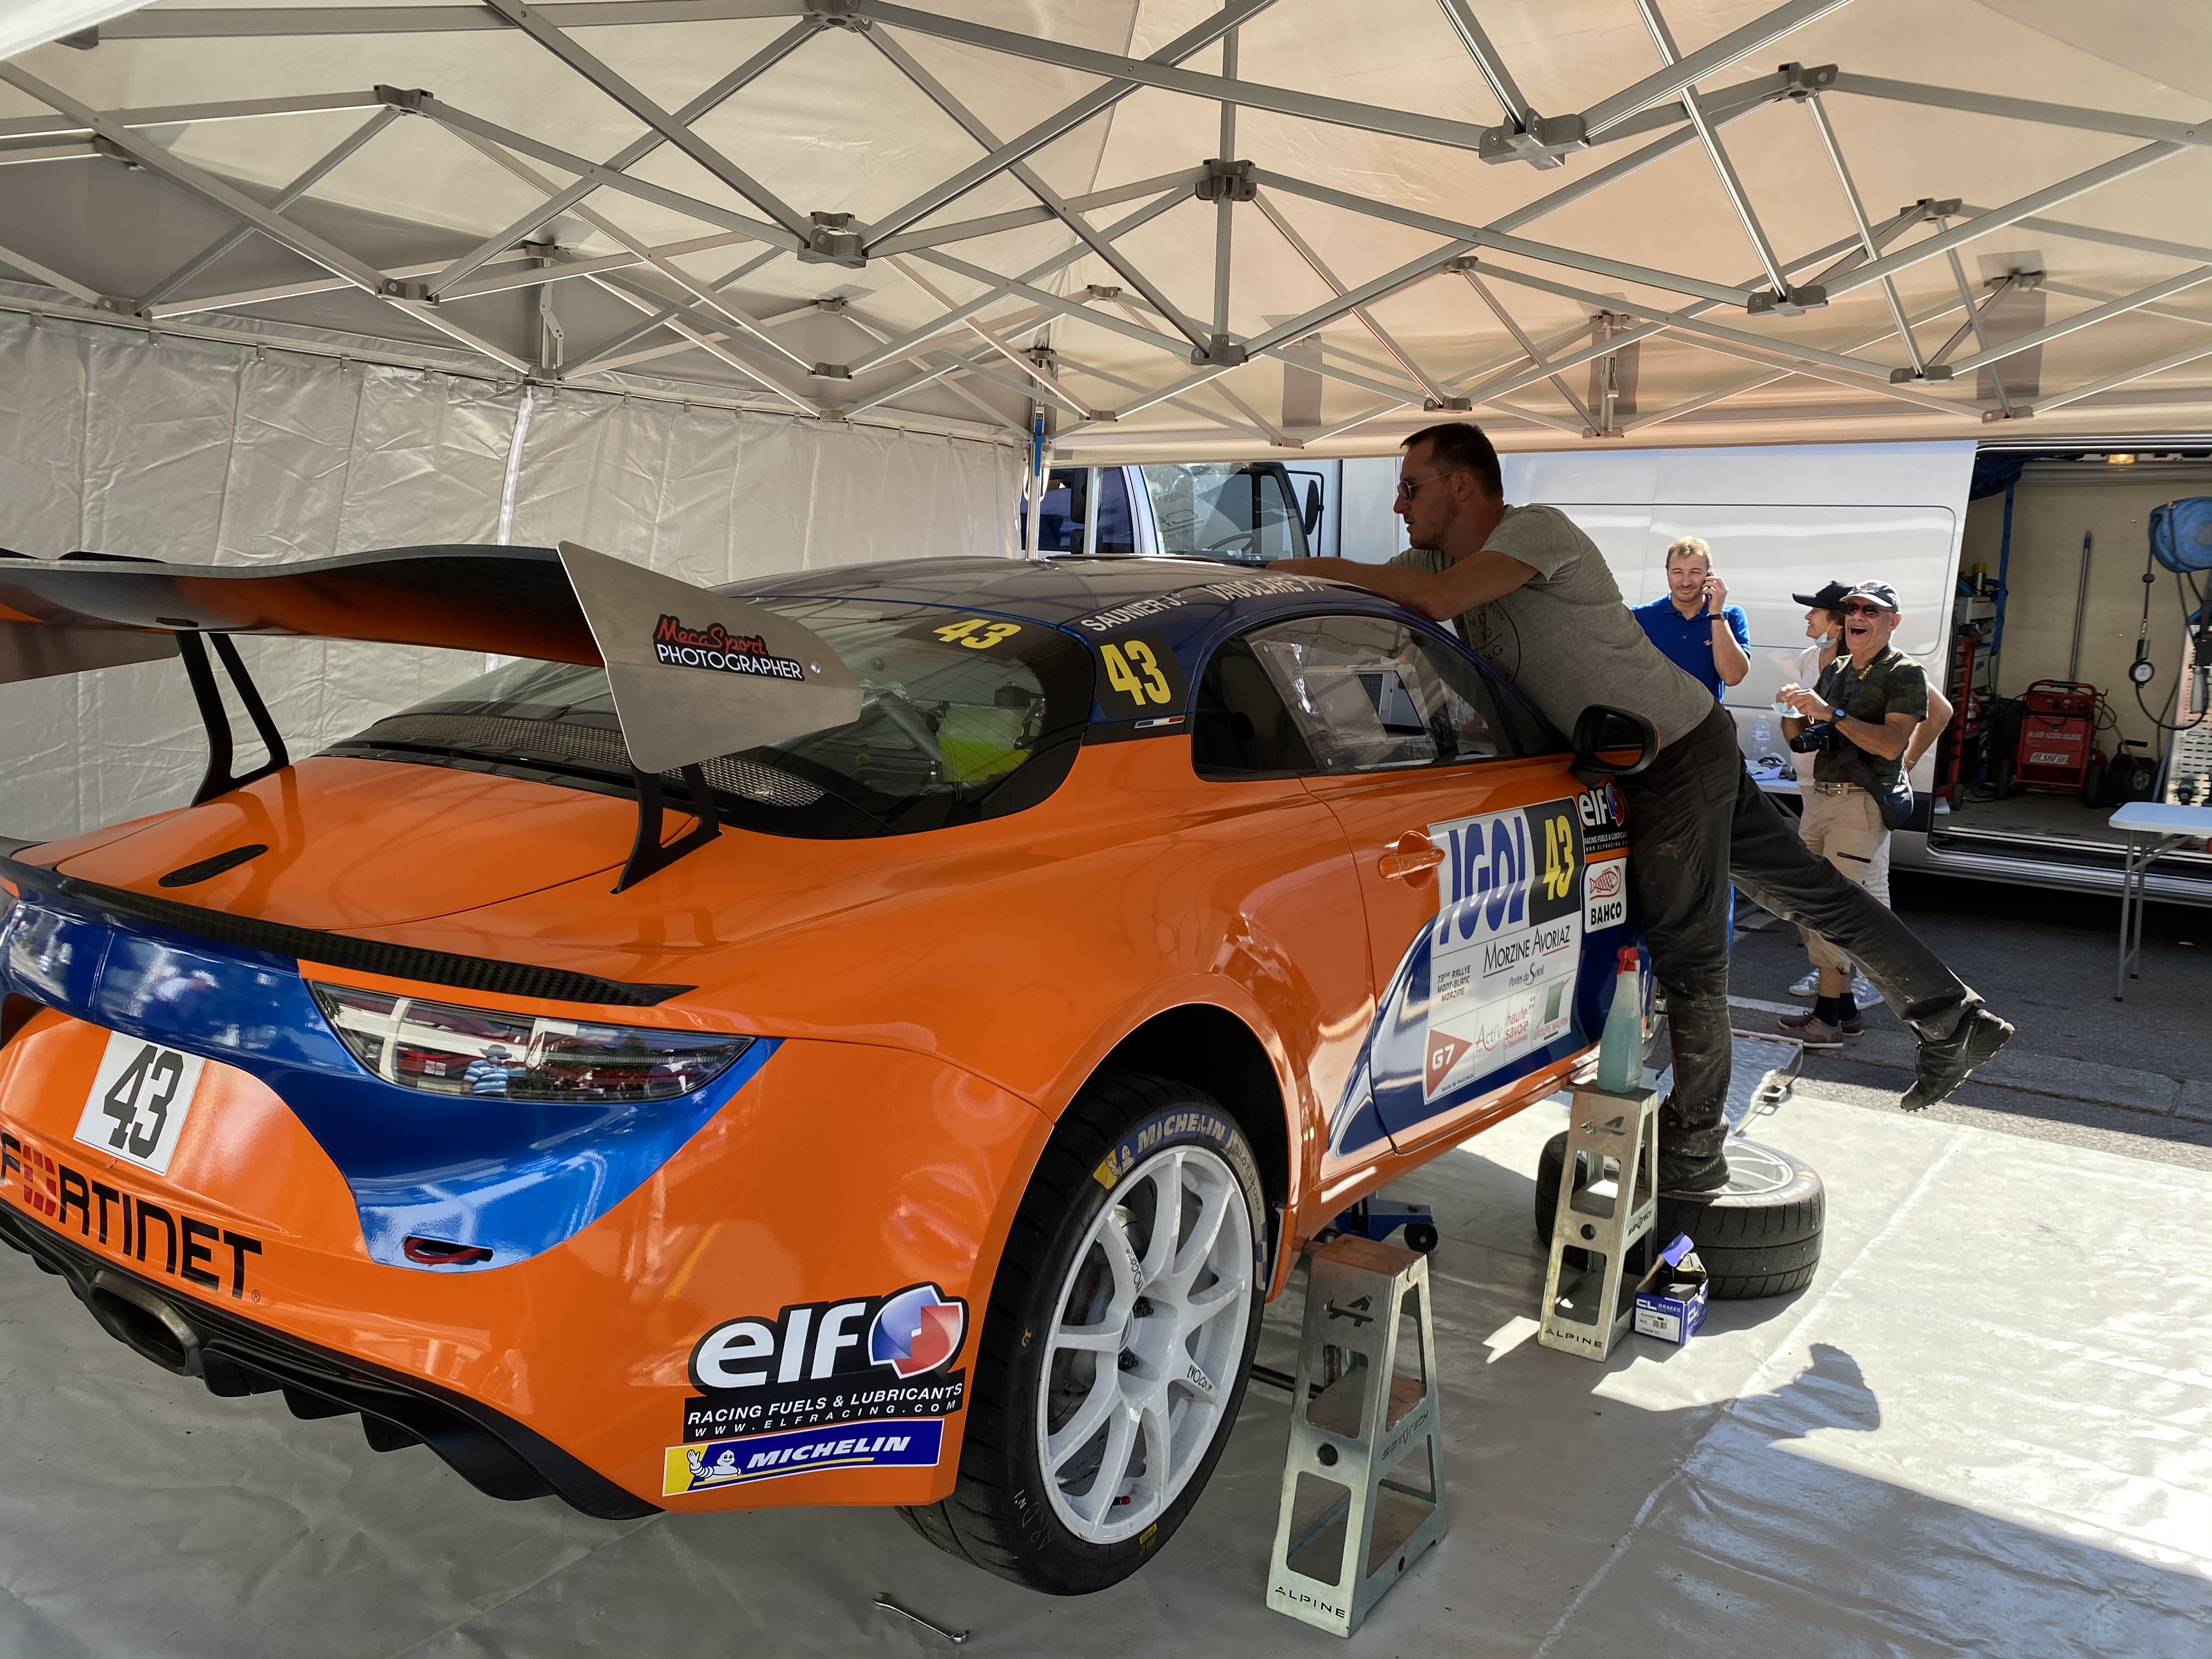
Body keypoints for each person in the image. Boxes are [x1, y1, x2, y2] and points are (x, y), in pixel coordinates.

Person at [1275, 422, 2011, 1192]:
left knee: (1689, 958)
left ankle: (1695, 1151)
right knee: (1809, 891)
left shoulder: (1535, 531)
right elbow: (1362, 585)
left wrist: (1270, 566)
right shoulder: (1436, 559)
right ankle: (1953, 1017)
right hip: (1671, 746)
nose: (1398, 505)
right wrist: (1262, 582)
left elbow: (1433, 601)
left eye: (1410, 487)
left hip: (1674, 757)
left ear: (1462, 486)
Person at [1782, 582, 1954, 1015]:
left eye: (1870, 611)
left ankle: (1831, 1015)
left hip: (1860, 801)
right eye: (1853, 609)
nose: (1858, 617)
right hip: (1821, 797)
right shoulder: (1837, 667)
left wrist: (1832, 714)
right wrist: (1791, 712)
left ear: (1893, 622)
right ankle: (1844, 1009)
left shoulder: (1903, 672)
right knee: (1807, 903)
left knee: (1838, 907)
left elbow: (1892, 743)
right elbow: (1811, 736)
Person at [1632, 536, 1749, 700]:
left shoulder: (1731, 616)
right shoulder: (1639, 617)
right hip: (1651, 715)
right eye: (1678, 572)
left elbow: (1732, 677)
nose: (1686, 582)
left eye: (1694, 572)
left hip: (1706, 716)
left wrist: (1716, 614)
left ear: (1709, 575)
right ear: (1667, 573)